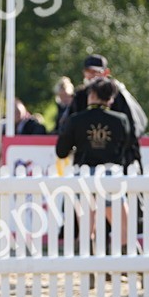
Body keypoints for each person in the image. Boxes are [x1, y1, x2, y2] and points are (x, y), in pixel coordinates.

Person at [55, 77, 133, 251]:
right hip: (110, 176)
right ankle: (127, 258)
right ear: (110, 98)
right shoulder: (121, 120)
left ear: (92, 95)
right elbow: (126, 146)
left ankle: (87, 257)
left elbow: (61, 151)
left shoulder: (75, 120)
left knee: (86, 227)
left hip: (83, 175)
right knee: (123, 229)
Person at [61, 55, 147, 169]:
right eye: (88, 71)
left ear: (106, 72)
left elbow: (132, 131)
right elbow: (67, 128)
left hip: (118, 164)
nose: (92, 76)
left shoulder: (117, 95)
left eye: (96, 72)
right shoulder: (80, 95)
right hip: (85, 163)